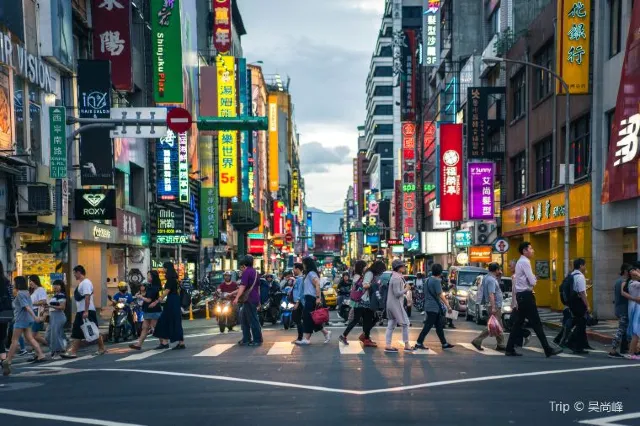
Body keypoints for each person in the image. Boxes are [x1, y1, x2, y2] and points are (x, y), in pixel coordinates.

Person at [505, 242, 562, 357]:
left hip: (522, 296)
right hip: (526, 296)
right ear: (525, 251)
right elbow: (532, 281)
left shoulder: (520, 262)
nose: (533, 250)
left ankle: (509, 348)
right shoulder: (525, 262)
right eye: (531, 248)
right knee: (536, 323)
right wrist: (534, 280)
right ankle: (547, 349)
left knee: (518, 323)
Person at [2, 276, 46, 376]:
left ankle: (8, 360)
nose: (13, 283)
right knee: (30, 338)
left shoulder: (21, 294)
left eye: (14, 282)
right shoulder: (26, 292)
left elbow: (26, 307)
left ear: (18, 283)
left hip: (21, 320)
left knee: (14, 340)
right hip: (27, 320)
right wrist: (33, 318)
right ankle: (40, 354)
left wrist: (35, 317)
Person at [61, 265, 106, 359]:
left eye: (74, 273)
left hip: (86, 310)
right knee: (78, 331)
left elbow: (87, 296)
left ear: (79, 272)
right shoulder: (81, 283)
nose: (74, 275)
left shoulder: (86, 283)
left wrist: (86, 311)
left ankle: (101, 348)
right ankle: (73, 351)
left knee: (93, 330)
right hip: (81, 311)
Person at [413, 263, 454, 351]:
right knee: (428, 326)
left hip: (428, 305)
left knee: (439, 326)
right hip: (434, 307)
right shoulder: (436, 281)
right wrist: (448, 306)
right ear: (440, 272)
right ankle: (419, 342)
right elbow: (440, 295)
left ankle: (444, 343)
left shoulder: (427, 280)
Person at [339, 260, 379, 346]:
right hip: (360, 301)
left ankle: (365, 337)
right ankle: (347, 336)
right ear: (361, 267)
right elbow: (362, 286)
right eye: (365, 266)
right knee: (359, 320)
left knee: (363, 319)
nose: (366, 267)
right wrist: (371, 284)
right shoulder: (358, 276)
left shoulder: (359, 275)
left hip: (360, 301)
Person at [295, 256, 331, 345]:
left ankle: (307, 339)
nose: (302, 265)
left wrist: (318, 298)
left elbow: (318, 284)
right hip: (308, 298)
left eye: (303, 263)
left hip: (311, 298)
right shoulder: (308, 274)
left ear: (306, 264)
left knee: (307, 317)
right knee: (312, 318)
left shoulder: (311, 273)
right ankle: (326, 333)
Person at [471, 263, 506, 351]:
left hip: (493, 304)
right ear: (496, 270)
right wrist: (494, 307)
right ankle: (477, 340)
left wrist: (499, 276)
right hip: (494, 305)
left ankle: (500, 344)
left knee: (497, 324)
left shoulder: (488, 277)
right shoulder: (491, 279)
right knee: (493, 325)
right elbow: (491, 294)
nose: (500, 271)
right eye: (499, 269)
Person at [153, 262, 185, 350]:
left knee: (163, 320)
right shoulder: (175, 279)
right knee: (175, 320)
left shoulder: (170, 279)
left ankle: (165, 342)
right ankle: (178, 342)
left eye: (164, 268)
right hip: (175, 300)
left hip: (172, 301)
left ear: (167, 268)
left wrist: (158, 300)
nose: (163, 269)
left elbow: (167, 291)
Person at [384, 260, 413, 353]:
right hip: (396, 304)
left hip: (391, 303)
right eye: (402, 266)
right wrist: (406, 289)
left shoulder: (396, 276)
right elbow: (397, 294)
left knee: (391, 324)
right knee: (406, 323)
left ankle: (388, 345)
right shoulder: (396, 278)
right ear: (398, 268)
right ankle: (407, 344)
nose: (404, 267)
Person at [234, 255, 263, 346]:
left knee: (252, 319)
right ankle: (246, 338)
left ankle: (257, 339)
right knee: (244, 319)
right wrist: (259, 300)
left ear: (244, 264)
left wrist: (236, 298)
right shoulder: (255, 272)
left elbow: (242, 286)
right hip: (253, 298)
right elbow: (258, 288)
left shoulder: (246, 272)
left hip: (249, 299)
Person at [129, 271, 163, 350]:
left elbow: (148, 300)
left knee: (156, 327)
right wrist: (140, 295)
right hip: (148, 310)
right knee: (145, 327)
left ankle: (163, 342)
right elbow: (147, 296)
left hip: (153, 310)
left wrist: (140, 297)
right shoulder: (150, 286)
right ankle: (139, 344)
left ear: (152, 277)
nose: (147, 277)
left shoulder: (154, 287)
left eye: (148, 276)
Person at [609, 264, 637, 358]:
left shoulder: (618, 281)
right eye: (629, 271)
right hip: (623, 309)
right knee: (621, 330)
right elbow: (624, 294)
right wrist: (634, 298)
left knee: (624, 330)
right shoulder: (624, 281)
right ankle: (613, 350)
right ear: (625, 271)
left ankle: (627, 348)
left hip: (619, 308)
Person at [565, 258, 591, 354]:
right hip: (579, 302)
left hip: (572, 302)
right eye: (584, 265)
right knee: (581, 324)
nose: (585, 267)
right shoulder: (580, 276)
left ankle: (574, 343)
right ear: (580, 266)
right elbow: (582, 293)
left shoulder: (571, 275)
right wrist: (587, 305)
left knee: (579, 323)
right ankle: (574, 345)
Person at [45, 280, 67, 359]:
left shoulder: (61, 295)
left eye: (57, 285)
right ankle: (58, 348)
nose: (55, 286)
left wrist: (50, 306)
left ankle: (58, 352)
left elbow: (62, 307)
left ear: (61, 286)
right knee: (48, 335)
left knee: (55, 335)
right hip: (53, 316)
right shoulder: (55, 295)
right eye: (54, 285)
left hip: (58, 316)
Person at [27, 275, 48, 347]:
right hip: (32, 313)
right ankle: (48, 343)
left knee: (32, 335)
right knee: (35, 335)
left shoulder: (40, 289)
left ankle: (37, 350)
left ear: (35, 281)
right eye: (29, 281)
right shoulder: (33, 291)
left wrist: (31, 303)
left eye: (31, 281)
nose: (30, 283)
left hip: (37, 312)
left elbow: (43, 301)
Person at [624, 264, 640, 359]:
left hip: (635, 307)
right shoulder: (634, 284)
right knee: (636, 332)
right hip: (637, 308)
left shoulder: (630, 283)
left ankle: (632, 352)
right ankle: (632, 353)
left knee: (636, 332)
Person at [0, 261, 11, 365]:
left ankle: (3, 360)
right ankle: (3, 360)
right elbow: (11, 297)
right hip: (5, 313)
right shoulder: (7, 282)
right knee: (2, 336)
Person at [291, 263, 305, 343]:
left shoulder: (300, 279)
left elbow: (300, 292)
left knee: (297, 319)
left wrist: (297, 302)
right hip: (298, 302)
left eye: (294, 269)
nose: (293, 270)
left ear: (298, 269)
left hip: (299, 302)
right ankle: (301, 337)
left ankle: (300, 338)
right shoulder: (297, 278)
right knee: (297, 319)